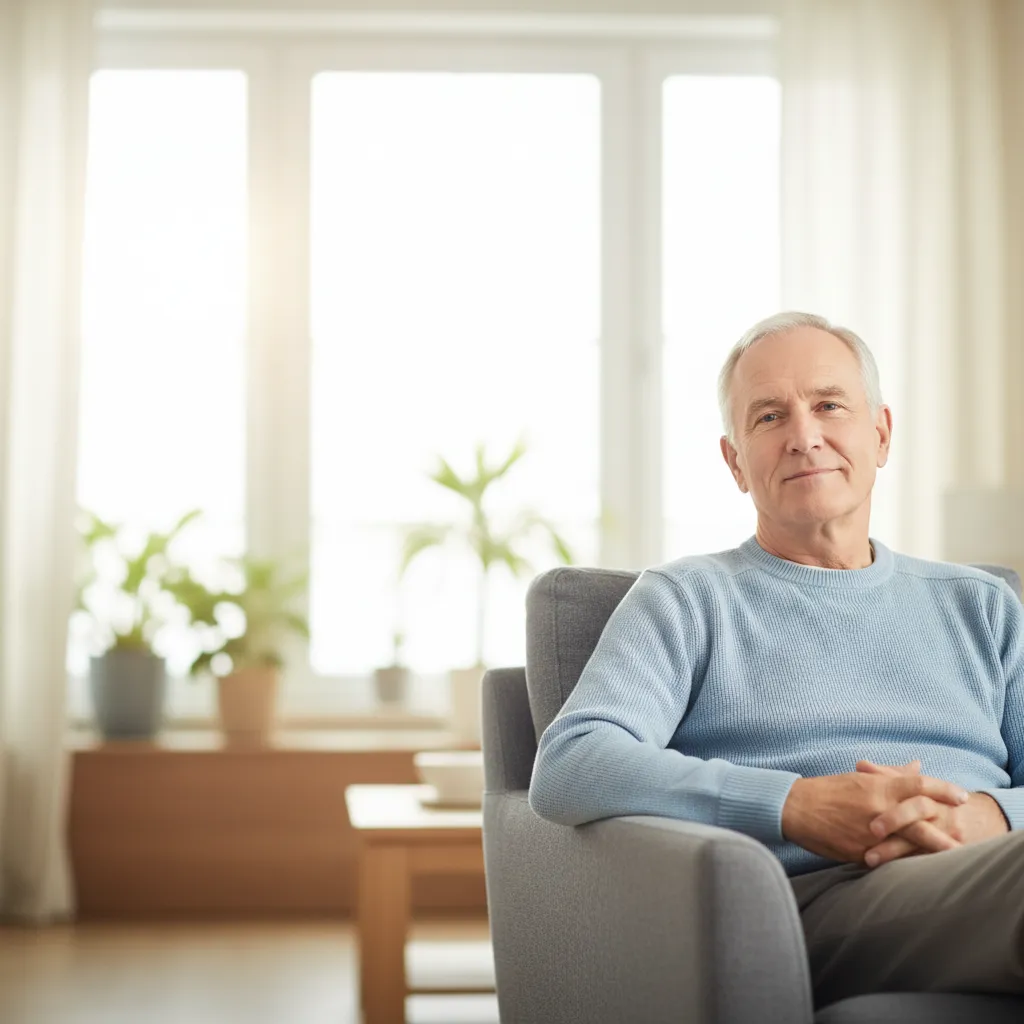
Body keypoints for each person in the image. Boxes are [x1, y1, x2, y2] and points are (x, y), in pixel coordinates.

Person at [528, 311, 1024, 1007]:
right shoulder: (687, 599)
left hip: (985, 868)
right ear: (736, 461)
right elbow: (572, 762)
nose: (804, 436)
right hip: (811, 906)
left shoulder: (984, 604)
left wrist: (988, 817)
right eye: (768, 417)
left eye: (828, 405)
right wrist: (793, 804)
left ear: (880, 434)